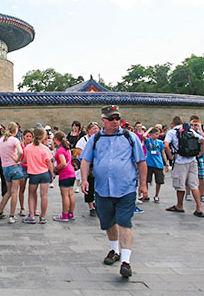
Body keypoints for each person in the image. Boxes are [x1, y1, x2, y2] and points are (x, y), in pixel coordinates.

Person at [80, 105, 147, 278]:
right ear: (103, 120)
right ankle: (114, 250)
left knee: (124, 222)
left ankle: (126, 261)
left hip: (126, 188)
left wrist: (143, 185)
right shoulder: (96, 139)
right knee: (108, 222)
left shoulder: (129, 137)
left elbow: (141, 161)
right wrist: (85, 179)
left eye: (117, 118)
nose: (115, 122)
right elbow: (85, 160)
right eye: (111, 119)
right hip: (103, 189)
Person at [164, 116, 204, 217]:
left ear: (172, 123)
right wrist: (199, 154)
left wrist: (170, 156)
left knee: (180, 184)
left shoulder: (172, 132)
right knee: (194, 185)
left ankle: (179, 205)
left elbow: (166, 145)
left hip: (180, 161)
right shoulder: (190, 131)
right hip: (192, 160)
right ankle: (199, 208)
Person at [22, 127, 54, 224]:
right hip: (44, 173)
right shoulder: (45, 149)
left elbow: (25, 160)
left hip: (33, 174)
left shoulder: (28, 148)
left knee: (31, 195)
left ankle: (31, 216)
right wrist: (52, 174)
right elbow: (49, 163)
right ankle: (43, 217)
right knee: (44, 195)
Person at [0, 122, 24, 224]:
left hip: (5, 168)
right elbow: (21, 152)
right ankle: (11, 215)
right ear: (15, 130)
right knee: (15, 191)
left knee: (9, 191)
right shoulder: (15, 140)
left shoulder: (1, 140)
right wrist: (17, 160)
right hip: (14, 167)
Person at [185, 116, 204, 203]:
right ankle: (188, 193)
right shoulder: (189, 132)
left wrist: (200, 130)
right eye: (192, 124)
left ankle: (202, 194)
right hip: (191, 155)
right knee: (188, 176)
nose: (194, 126)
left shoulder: (203, 129)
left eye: (195, 124)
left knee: (201, 176)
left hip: (201, 156)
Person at [77, 121, 100, 216]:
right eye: (94, 128)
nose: (96, 130)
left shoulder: (102, 138)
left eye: (97, 128)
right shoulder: (84, 140)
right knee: (89, 186)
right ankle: (91, 206)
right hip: (89, 166)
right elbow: (79, 152)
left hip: (100, 165)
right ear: (88, 130)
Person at [53, 131, 76, 222]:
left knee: (65, 195)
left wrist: (55, 169)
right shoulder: (67, 148)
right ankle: (71, 213)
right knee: (71, 194)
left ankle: (64, 215)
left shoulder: (61, 150)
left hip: (65, 174)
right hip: (71, 172)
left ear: (56, 139)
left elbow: (62, 163)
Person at [144, 127, 169, 203]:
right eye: (156, 134)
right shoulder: (148, 141)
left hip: (158, 163)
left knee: (159, 181)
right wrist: (149, 129)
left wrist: (166, 163)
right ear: (151, 134)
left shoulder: (160, 142)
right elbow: (144, 136)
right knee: (147, 180)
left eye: (158, 134)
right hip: (149, 163)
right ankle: (146, 194)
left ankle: (156, 195)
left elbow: (163, 152)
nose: (157, 135)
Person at [18, 129, 33, 216]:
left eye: (30, 136)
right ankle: (22, 208)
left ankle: (34, 208)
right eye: (27, 136)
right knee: (22, 188)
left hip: (31, 168)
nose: (28, 138)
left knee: (32, 190)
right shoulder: (20, 145)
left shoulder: (33, 145)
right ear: (24, 136)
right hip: (22, 168)